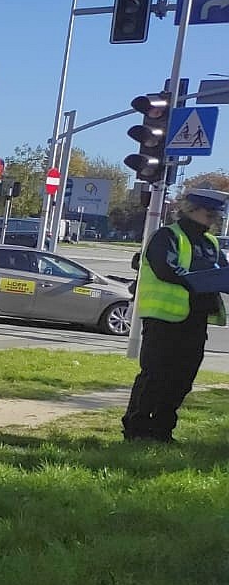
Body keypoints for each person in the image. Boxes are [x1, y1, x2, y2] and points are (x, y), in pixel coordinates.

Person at [122, 187, 228, 442]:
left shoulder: (210, 242)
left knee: (183, 378)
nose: (214, 217)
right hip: (163, 320)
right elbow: (165, 269)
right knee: (155, 375)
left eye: (217, 213)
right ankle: (136, 429)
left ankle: (162, 430)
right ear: (191, 209)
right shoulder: (167, 236)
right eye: (210, 212)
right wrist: (200, 281)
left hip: (194, 319)